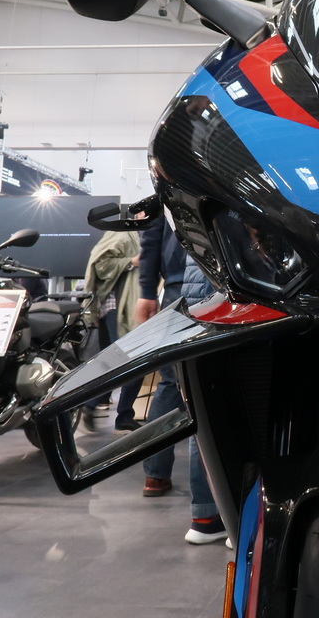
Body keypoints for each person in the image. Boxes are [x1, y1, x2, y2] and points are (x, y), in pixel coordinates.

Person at [135, 219, 225, 545]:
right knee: (216, 395)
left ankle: (157, 476)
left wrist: (147, 291)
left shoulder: (168, 191)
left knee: (178, 387)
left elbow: (150, 239)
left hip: (180, 286)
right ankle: (221, 511)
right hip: (225, 284)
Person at [80, 228, 142, 432]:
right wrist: (130, 261)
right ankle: (120, 413)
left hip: (117, 308)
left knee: (112, 361)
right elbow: (100, 264)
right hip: (117, 308)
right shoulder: (123, 234)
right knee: (134, 360)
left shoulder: (132, 236)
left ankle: (95, 404)